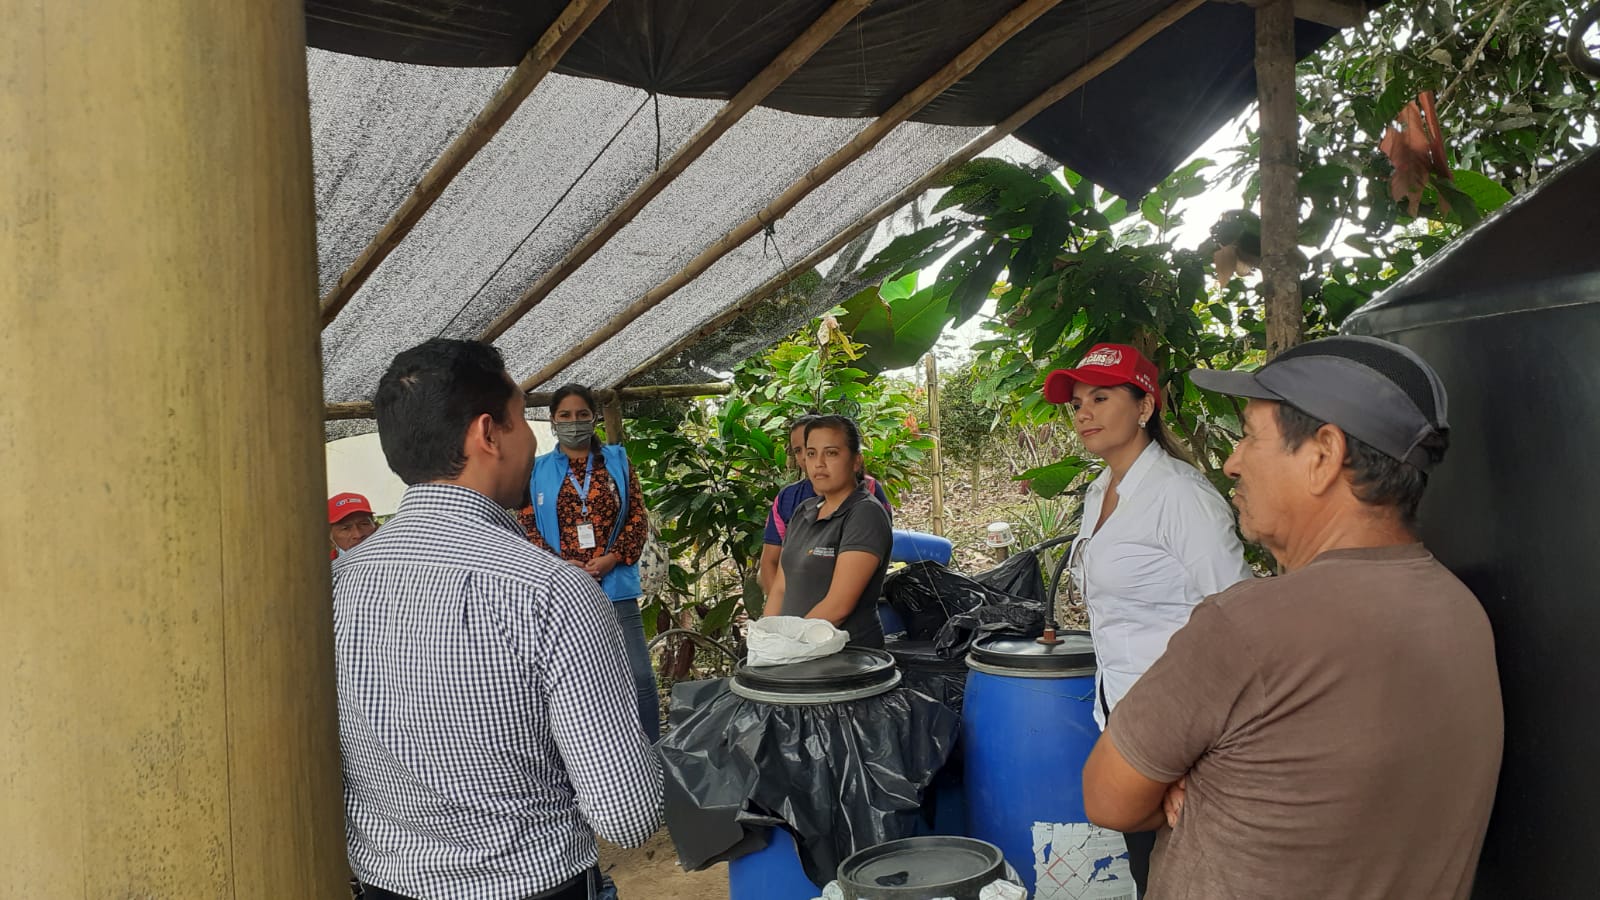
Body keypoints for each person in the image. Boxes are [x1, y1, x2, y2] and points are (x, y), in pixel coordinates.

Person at [1081, 336, 1503, 900]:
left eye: (1250, 437)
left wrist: (1175, 783)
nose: (1232, 462)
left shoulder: (1245, 627)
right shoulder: (1462, 611)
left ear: (1323, 456)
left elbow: (1107, 798)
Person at [333, 339, 661, 900]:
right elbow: (626, 815)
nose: (534, 438)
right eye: (523, 418)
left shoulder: (337, 586)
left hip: (388, 885)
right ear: (488, 434)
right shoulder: (551, 591)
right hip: (533, 882)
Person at [1043, 342, 1254, 892]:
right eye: (1077, 403)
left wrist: (1192, 755)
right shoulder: (1101, 492)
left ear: (1144, 406)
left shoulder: (1179, 494)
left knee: (1192, 875)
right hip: (1124, 713)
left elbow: (1239, 616)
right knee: (1147, 869)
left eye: (1100, 398)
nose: (1083, 413)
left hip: (1185, 726)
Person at [520, 384, 659, 743]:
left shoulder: (617, 461)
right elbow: (528, 526)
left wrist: (612, 558)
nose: (574, 422)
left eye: (582, 414)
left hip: (615, 584)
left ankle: (652, 751)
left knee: (640, 677)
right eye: (565, 415)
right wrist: (564, 568)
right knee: (580, 679)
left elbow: (637, 518)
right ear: (552, 420)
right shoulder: (536, 470)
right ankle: (598, 749)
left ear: (594, 417)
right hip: (564, 590)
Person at [764, 415, 893, 649]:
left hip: (845, 657)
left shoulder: (865, 514)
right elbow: (781, 588)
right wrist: (766, 639)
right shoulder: (804, 511)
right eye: (811, 453)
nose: (818, 463)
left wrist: (788, 646)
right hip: (795, 655)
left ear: (856, 461)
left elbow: (838, 607)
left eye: (831, 453)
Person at [328, 491, 379, 560]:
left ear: (376, 526)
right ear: (330, 537)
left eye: (364, 524)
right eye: (345, 528)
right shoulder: (324, 565)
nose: (358, 535)